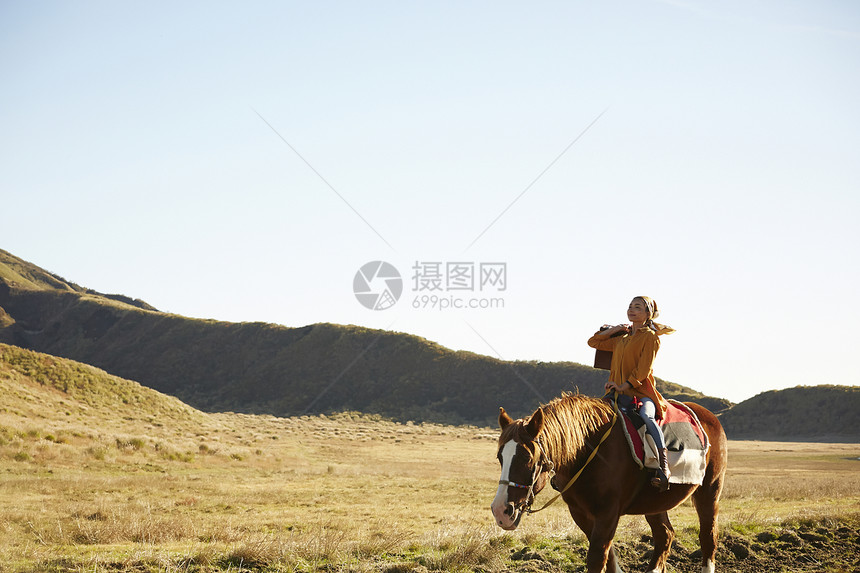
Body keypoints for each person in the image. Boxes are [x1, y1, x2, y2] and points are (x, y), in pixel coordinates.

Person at [587, 296, 676, 491]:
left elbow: (644, 370)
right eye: (630, 306)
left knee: (646, 416)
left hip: (641, 393)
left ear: (648, 314)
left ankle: (663, 466)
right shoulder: (621, 338)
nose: (632, 310)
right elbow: (593, 341)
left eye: (638, 307)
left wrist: (625, 385)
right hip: (616, 393)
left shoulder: (651, 337)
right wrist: (614, 329)